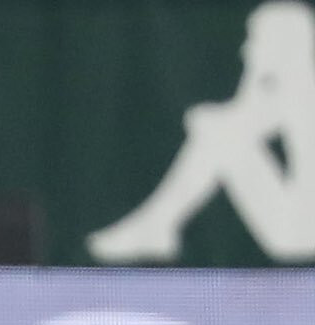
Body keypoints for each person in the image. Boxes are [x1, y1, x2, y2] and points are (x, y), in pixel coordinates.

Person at [88, 0, 315, 262]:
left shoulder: (300, 92)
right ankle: (156, 225)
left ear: (281, 44)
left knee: (220, 132)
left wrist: (217, 115)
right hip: (297, 232)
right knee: (221, 132)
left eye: (256, 39)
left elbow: (240, 121)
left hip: (302, 235)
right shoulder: (289, 89)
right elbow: (243, 114)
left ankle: (155, 225)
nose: (246, 49)